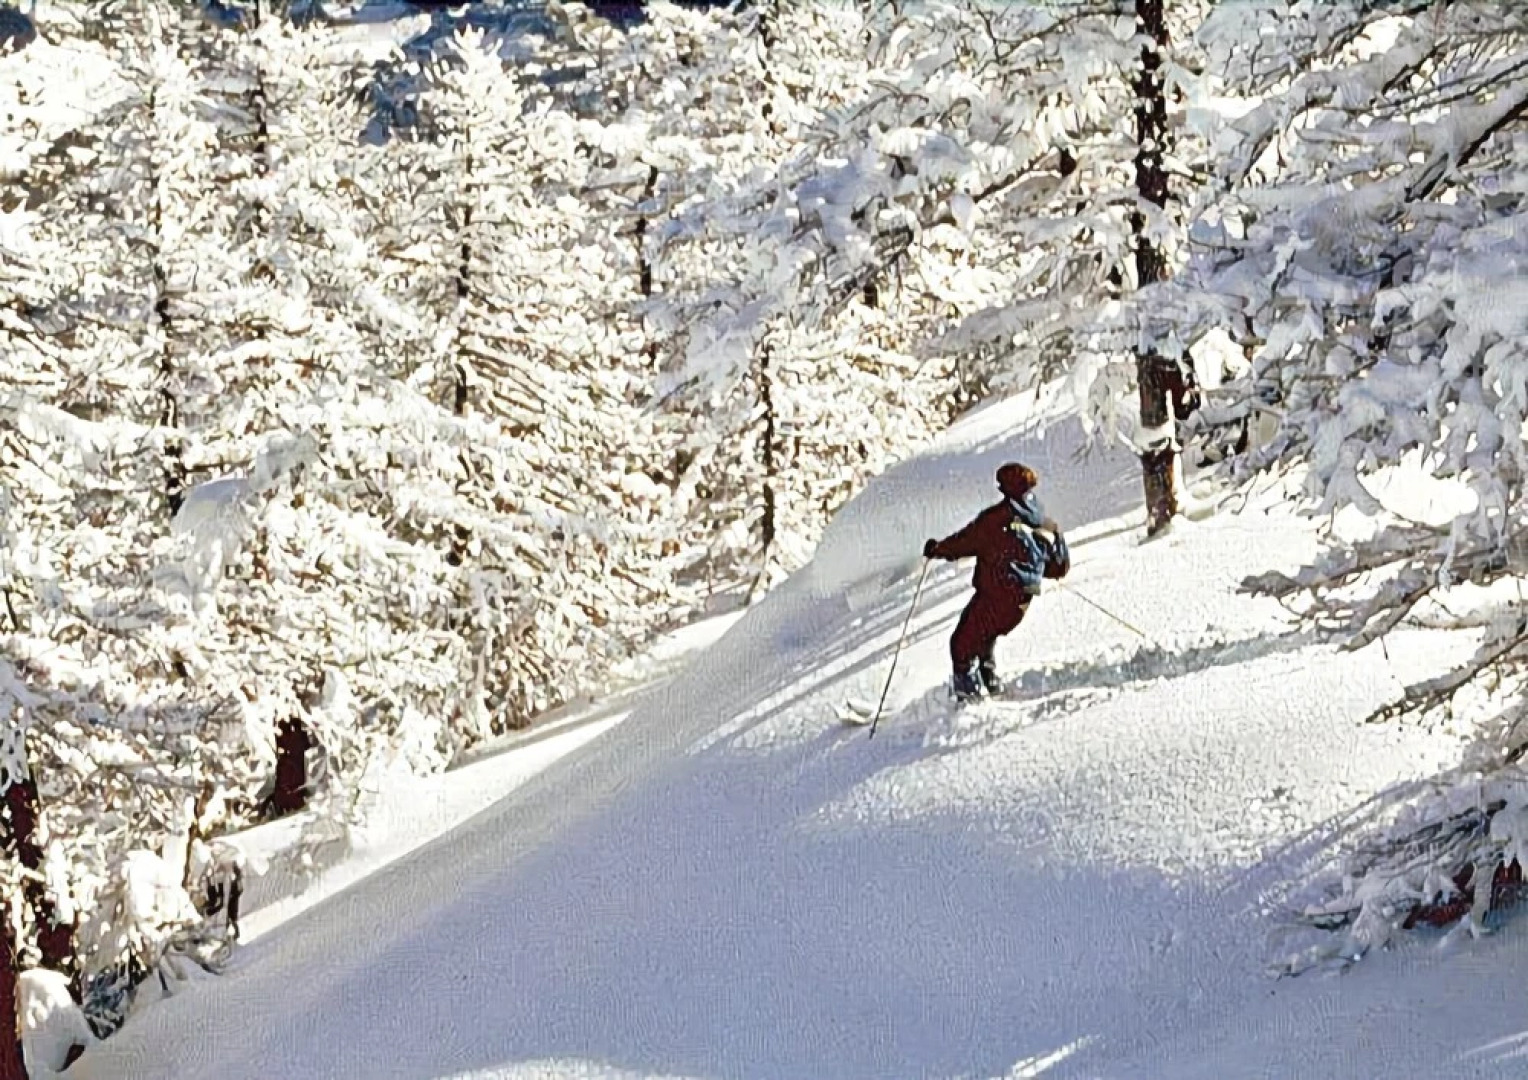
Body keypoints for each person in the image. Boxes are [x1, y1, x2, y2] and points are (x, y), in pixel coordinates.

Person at [922, 463, 1070, 701]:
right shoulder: (1042, 519)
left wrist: (937, 549)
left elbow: (965, 541)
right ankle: (990, 685)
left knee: (961, 644)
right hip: (1021, 602)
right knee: (984, 636)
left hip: (996, 595)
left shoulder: (996, 520)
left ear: (1006, 488)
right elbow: (1058, 566)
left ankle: (970, 701)